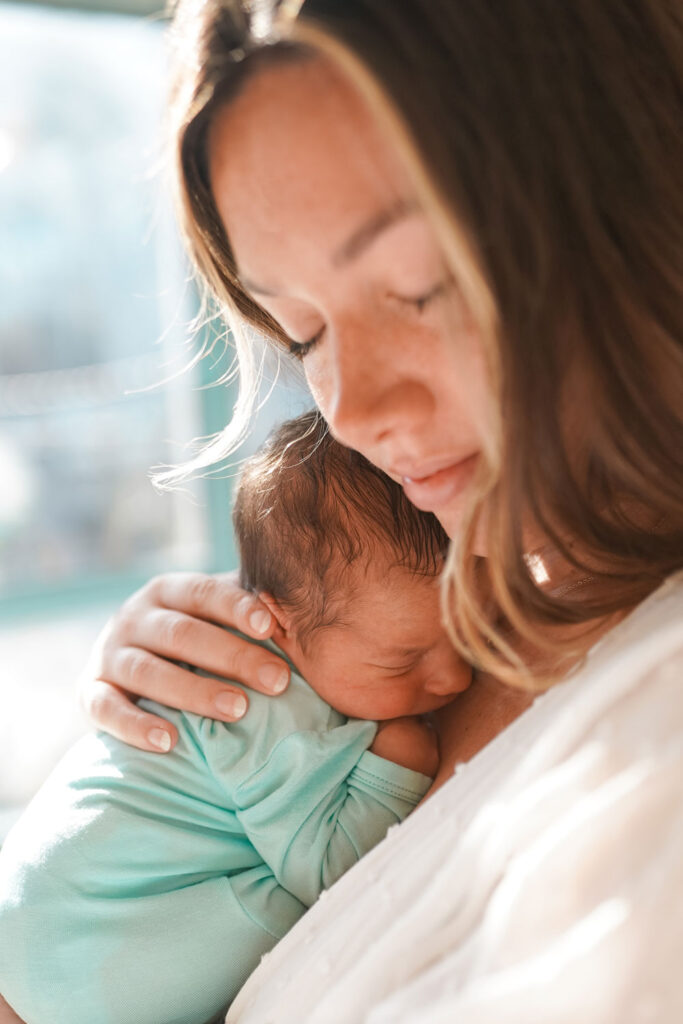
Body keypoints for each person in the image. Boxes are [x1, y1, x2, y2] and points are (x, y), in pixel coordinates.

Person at [2, 1, 681, 1021]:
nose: (351, 409)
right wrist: (132, 757)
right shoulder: (420, 624)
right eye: (302, 331)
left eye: (417, 286)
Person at [0, 412, 471, 1024]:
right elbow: (328, 870)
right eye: (403, 661)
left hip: (33, 917)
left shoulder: (277, 636)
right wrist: (400, 761)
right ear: (282, 622)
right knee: (283, 906)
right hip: (91, 951)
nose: (453, 678)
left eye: (467, 634)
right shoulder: (266, 698)